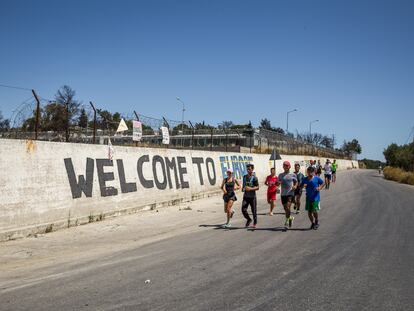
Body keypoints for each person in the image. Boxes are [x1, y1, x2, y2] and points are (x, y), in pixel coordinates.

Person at [277, 161, 298, 229]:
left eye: (287, 165)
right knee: (285, 208)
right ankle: (290, 218)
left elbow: (296, 182)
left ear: (289, 166)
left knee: (288, 207)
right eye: (284, 165)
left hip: (290, 193)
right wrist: (277, 184)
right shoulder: (280, 175)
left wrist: (295, 186)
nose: (285, 167)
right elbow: (277, 183)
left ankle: (287, 220)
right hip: (283, 194)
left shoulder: (293, 174)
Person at [242, 164, 259, 228]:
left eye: (249, 169)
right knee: (243, 210)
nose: (248, 170)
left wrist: (250, 189)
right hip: (246, 197)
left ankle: (255, 222)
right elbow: (243, 186)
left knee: (254, 211)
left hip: (252, 197)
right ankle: (249, 219)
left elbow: (257, 187)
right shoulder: (244, 177)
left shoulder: (255, 178)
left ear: (252, 169)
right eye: (247, 169)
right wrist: (243, 188)